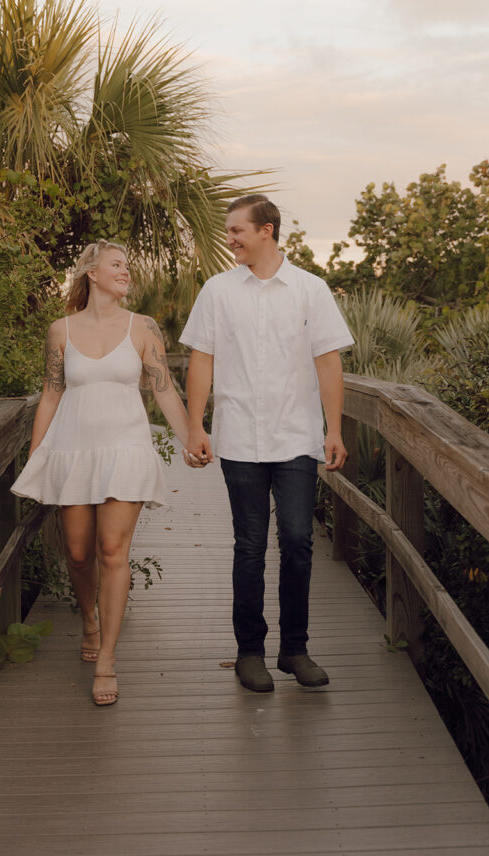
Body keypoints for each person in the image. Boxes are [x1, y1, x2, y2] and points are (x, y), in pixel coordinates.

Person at [180, 194, 354, 692]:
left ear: (267, 231)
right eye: (228, 231)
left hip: (297, 436)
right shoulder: (217, 291)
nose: (229, 238)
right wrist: (197, 426)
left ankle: (295, 649)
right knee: (250, 546)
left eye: (237, 230)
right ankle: (249, 653)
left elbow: (327, 361)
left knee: (299, 541)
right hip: (237, 438)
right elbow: (202, 361)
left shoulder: (310, 290)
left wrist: (334, 428)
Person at [12, 239, 192, 706]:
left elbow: (164, 389)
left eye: (128, 266)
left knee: (113, 551)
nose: (126, 271)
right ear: (91, 273)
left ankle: (108, 660)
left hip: (126, 449)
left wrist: (193, 435)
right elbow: (51, 394)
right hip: (73, 451)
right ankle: (88, 618)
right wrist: (37, 457)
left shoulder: (143, 327)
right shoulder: (61, 331)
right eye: (117, 265)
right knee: (77, 553)